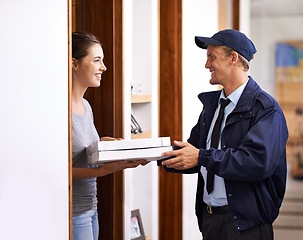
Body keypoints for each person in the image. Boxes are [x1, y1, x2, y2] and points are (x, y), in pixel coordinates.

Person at [160, 29, 289, 240]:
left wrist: (202, 157)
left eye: (212, 57)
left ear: (233, 58)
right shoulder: (213, 106)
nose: (206, 64)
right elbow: (191, 154)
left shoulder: (266, 109)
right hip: (211, 221)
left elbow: (256, 162)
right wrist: (147, 154)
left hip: (247, 226)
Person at [71, 31, 147, 240]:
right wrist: (104, 170)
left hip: (91, 206)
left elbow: (81, 152)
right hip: (73, 212)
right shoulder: (61, 111)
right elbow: (61, 170)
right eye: (97, 60)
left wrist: (103, 145)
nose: (103, 67)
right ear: (74, 63)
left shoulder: (86, 106)